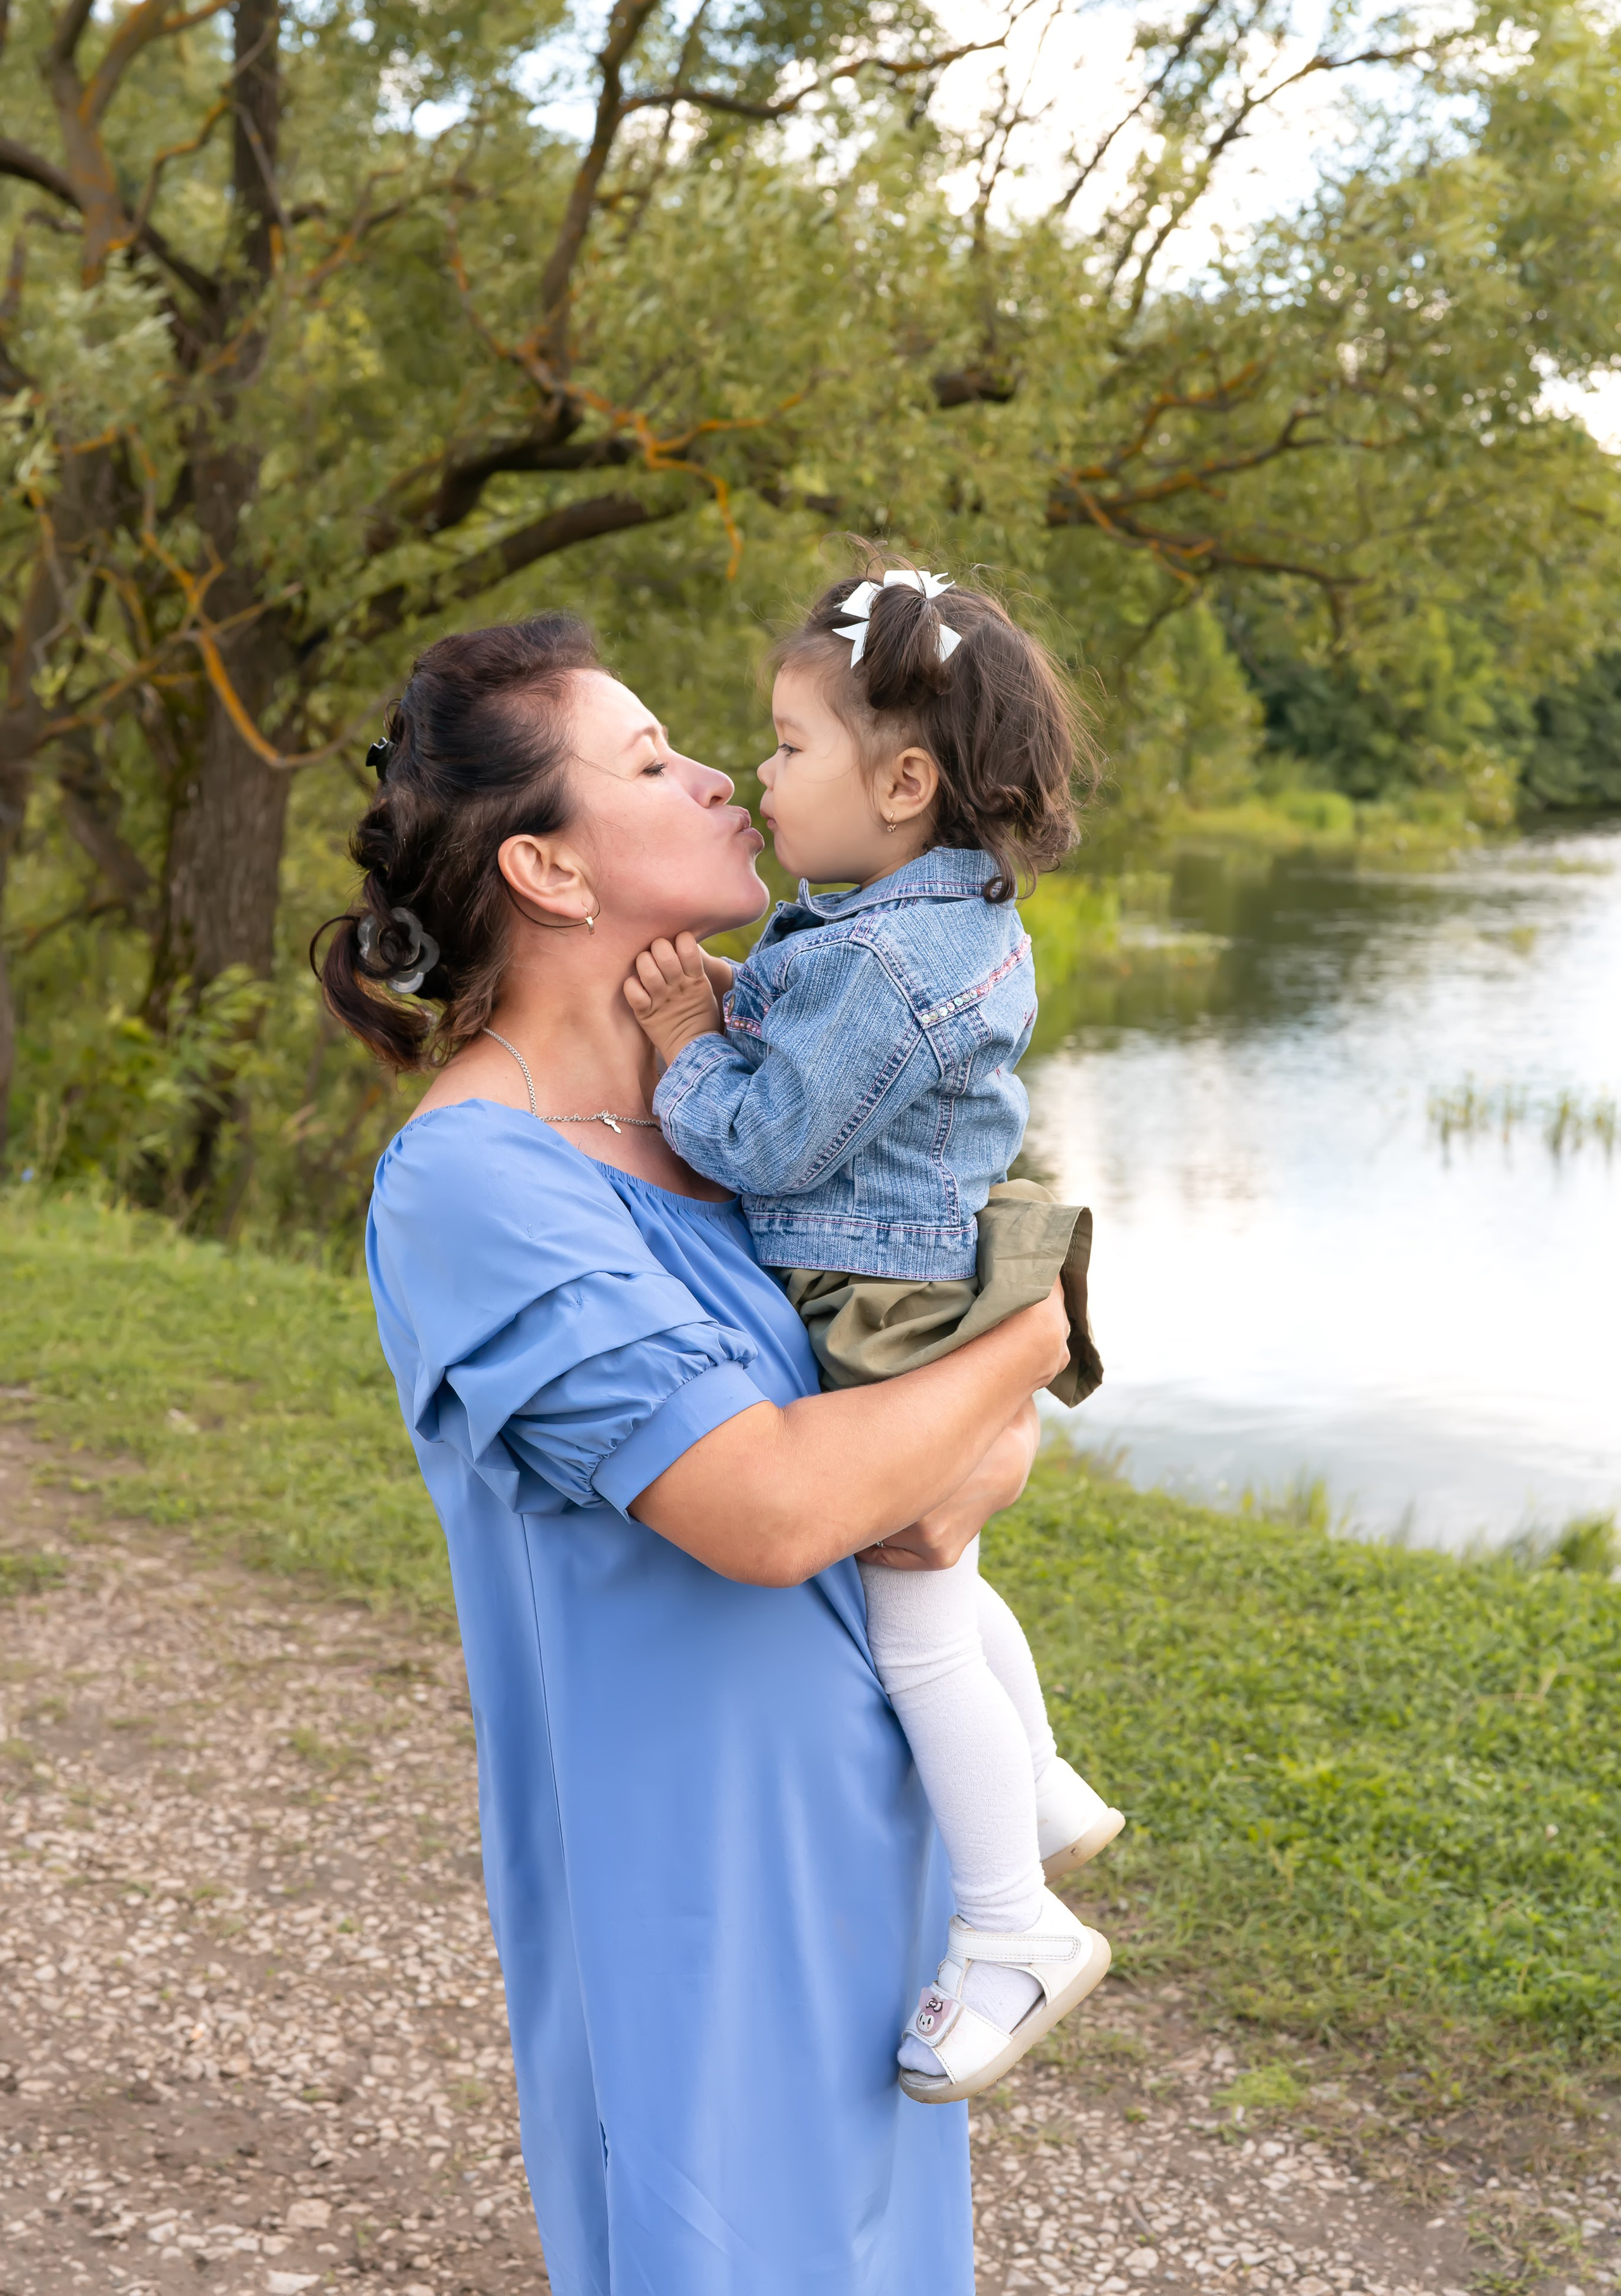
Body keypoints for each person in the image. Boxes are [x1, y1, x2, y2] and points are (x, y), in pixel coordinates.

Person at [313, 612, 1092, 2296]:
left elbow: (967, 1475)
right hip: (695, 1900)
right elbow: (774, 1502)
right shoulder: (476, 1183)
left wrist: (961, 1420)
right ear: (551, 867)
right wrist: (1036, 1334)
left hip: (869, 1856)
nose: (723, 769)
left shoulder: (729, 1128)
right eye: (654, 760)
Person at [623, 563, 1122, 2105]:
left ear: (902, 780)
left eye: (784, 747)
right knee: (951, 1585)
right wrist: (745, 1000)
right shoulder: (924, 917)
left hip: (879, 1308)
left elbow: (766, 1145)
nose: (756, 772)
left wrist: (684, 1047)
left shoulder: (883, 959)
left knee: (915, 1608)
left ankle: (1007, 1922)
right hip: (926, 1278)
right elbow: (833, 1058)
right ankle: (1033, 1784)